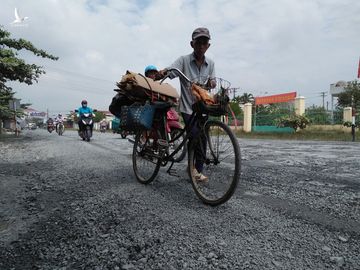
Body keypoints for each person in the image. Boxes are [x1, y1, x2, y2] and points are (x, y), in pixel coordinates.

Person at [159, 27, 216, 182]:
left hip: (203, 107)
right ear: (192, 44)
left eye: (205, 42)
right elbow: (172, 69)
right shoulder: (183, 60)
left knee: (202, 137)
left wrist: (211, 82)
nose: (201, 45)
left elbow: (213, 82)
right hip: (188, 107)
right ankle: (193, 168)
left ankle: (197, 169)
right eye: (198, 42)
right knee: (195, 134)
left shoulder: (210, 64)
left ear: (208, 45)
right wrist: (163, 72)